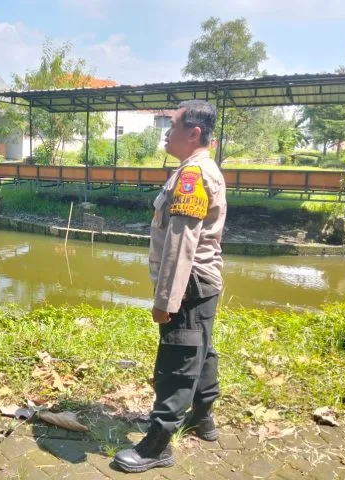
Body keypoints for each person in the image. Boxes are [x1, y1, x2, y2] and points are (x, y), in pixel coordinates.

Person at [114, 100, 227, 473]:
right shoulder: (199, 168)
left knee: (177, 360)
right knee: (201, 350)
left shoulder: (192, 175)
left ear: (193, 133)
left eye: (172, 125)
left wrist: (166, 300)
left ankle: (157, 446)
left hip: (189, 282)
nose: (166, 132)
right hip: (203, 280)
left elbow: (181, 244)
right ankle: (203, 419)